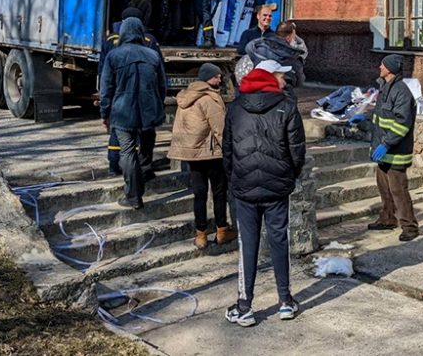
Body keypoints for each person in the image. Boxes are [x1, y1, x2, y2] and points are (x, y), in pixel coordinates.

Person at [223, 60, 306, 327]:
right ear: (270, 77)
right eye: (281, 76)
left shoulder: (235, 108)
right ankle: (285, 301)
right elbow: (297, 151)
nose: (285, 81)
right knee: (279, 241)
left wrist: (234, 178)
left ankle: (244, 306)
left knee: (248, 245)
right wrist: (289, 176)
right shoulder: (286, 107)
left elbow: (227, 150)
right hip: (276, 186)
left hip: (245, 186)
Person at [99, 17, 167, 210]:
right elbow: (162, 85)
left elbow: (106, 89)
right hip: (148, 111)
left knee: (127, 151)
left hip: (122, 112)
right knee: (147, 141)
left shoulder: (114, 56)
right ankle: (145, 173)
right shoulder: (152, 55)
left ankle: (133, 196)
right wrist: (157, 105)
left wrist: (105, 113)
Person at [169, 63, 234, 249]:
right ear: (208, 78)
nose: (220, 79)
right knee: (219, 192)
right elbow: (220, 129)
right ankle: (222, 230)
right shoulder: (209, 99)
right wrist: (229, 152)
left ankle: (201, 235)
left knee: (199, 193)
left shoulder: (186, 97)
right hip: (211, 154)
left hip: (192, 153)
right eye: (216, 76)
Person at [355, 54, 418, 242]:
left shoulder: (401, 92)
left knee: (398, 191)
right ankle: (387, 219)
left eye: (382, 65)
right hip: (382, 151)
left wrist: (386, 144)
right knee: (384, 188)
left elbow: (402, 123)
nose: (379, 67)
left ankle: (410, 227)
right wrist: (364, 123)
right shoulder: (385, 88)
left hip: (395, 152)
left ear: (390, 69)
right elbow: (380, 120)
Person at [245, 21, 306, 90]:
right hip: (278, 92)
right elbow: (299, 81)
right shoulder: (292, 57)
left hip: (256, 87)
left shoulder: (260, 46)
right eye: (294, 37)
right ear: (289, 37)